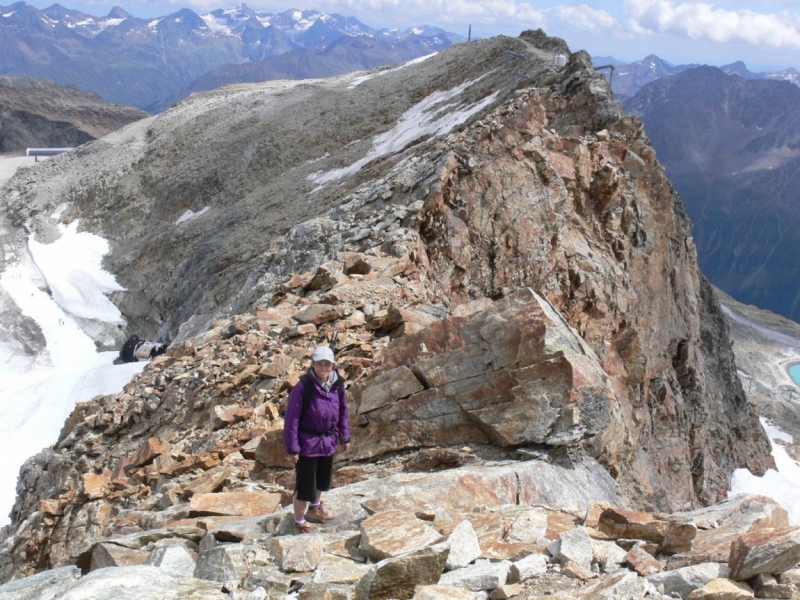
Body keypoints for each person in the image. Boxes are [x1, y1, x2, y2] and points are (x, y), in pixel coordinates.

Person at [283, 345, 350, 534]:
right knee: (305, 485)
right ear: (313, 364)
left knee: (321, 480)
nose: (323, 368)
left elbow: (343, 412)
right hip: (307, 443)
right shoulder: (303, 387)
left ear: (333, 365)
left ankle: (314, 509)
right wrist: (293, 448)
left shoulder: (337, 386)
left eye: (327, 364)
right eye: (319, 364)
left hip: (328, 441)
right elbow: (292, 419)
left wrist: (345, 436)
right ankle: (299, 522)